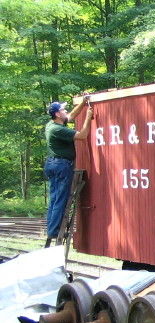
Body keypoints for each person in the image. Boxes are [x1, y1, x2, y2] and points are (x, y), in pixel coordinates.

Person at [44, 96, 94, 247]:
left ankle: (52, 229)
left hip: (53, 164)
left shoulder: (52, 124)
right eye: (62, 109)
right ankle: (54, 231)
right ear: (58, 114)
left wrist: (83, 103)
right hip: (61, 165)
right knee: (61, 198)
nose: (65, 111)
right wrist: (88, 116)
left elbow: (71, 116)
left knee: (54, 198)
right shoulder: (58, 129)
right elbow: (83, 135)